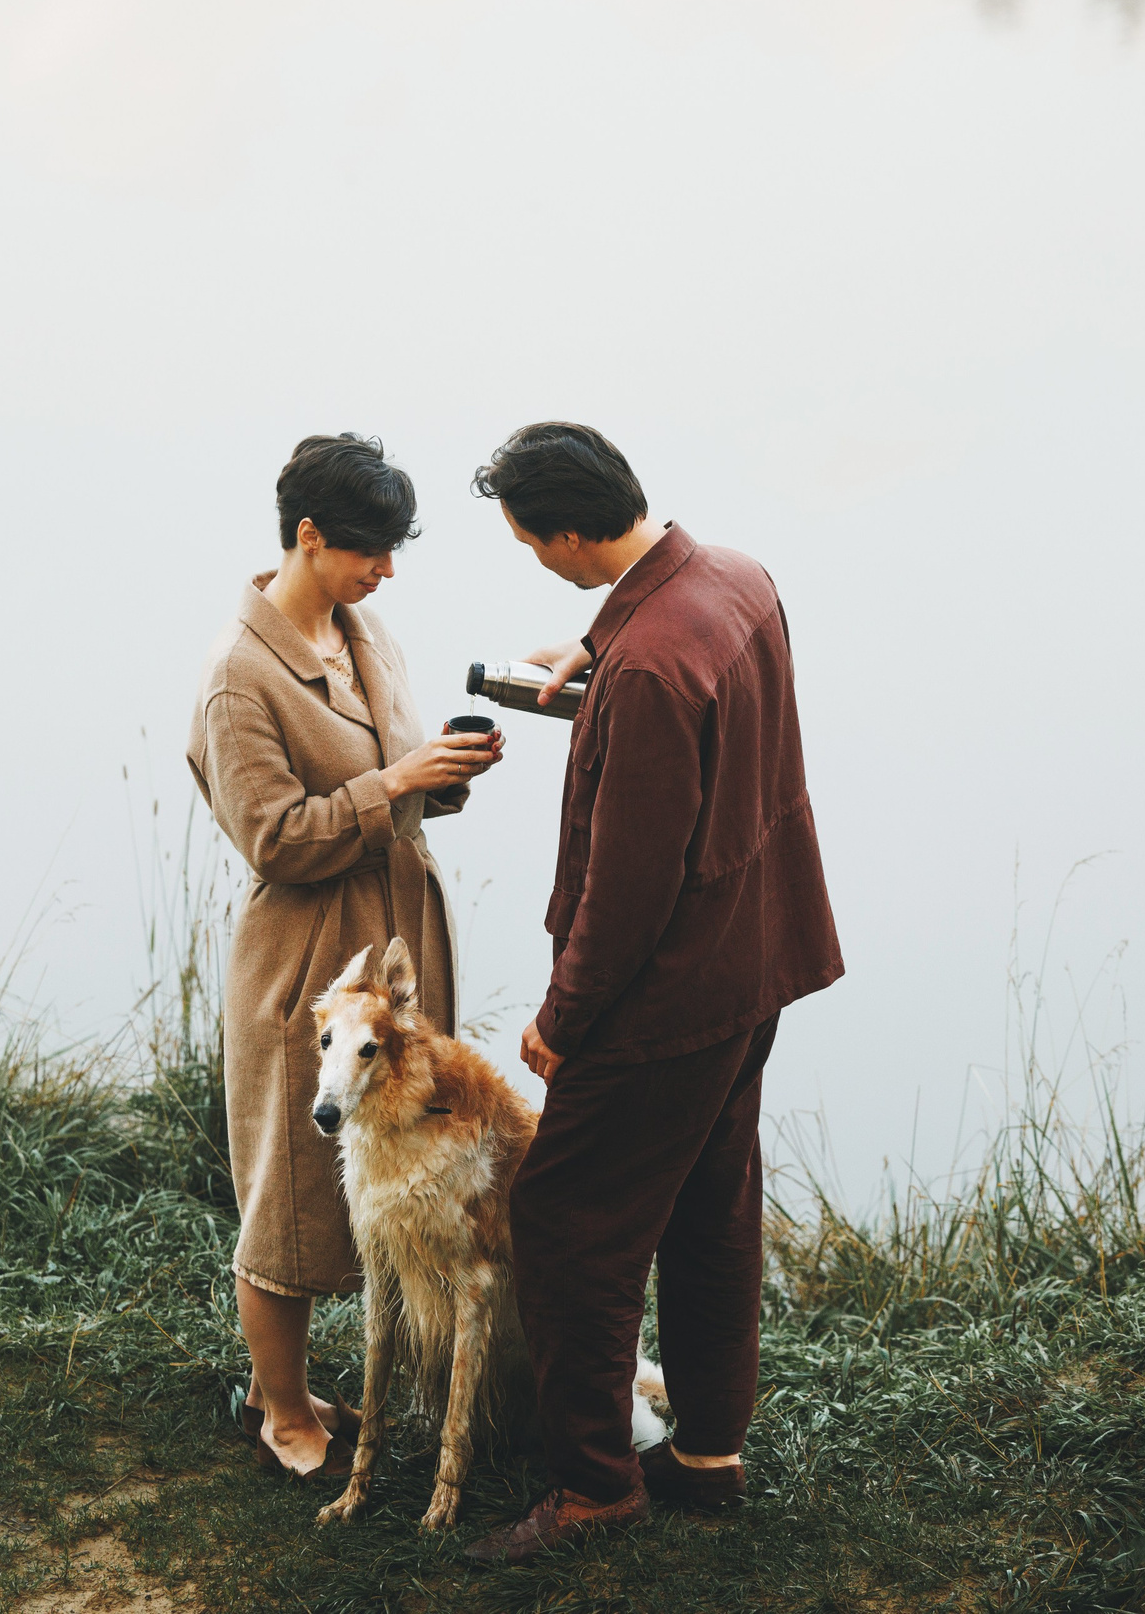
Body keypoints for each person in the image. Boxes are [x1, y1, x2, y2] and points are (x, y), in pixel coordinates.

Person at [460, 422, 842, 1564]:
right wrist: (594, 650)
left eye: (532, 540)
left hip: (663, 998)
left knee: (566, 1221)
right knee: (712, 1199)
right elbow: (677, 680)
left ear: (571, 531)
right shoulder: (733, 578)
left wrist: (559, 1021)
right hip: (755, 957)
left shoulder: (650, 671)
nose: (532, 555)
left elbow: (628, 890)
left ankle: (593, 1489)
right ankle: (708, 1452)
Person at [186, 433, 503, 1478]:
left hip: (396, 951)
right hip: (308, 962)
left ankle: (360, 1381)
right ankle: (280, 1409)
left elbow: (391, 774)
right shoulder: (238, 678)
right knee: (287, 1185)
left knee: (399, 1164)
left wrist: (443, 772)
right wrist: (399, 778)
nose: (386, 568)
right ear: (308, 535)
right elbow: (274, 837)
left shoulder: (367, 634)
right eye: (369, 547)